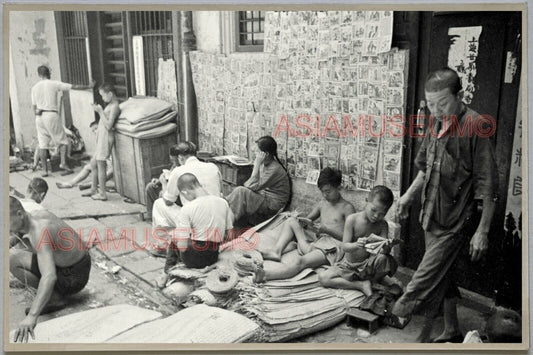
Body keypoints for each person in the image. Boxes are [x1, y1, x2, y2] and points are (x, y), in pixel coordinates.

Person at [390, 68, 498, 343]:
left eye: (442, 104)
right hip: (430, 213)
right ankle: (451, 328)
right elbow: (425, 167)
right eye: (431, 105)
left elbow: (488, 185)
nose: (436, 111)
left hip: (456, 220)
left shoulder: (475, 126)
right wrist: (408, 197)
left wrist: (482, 231)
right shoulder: (436, 123)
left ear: (460, 96)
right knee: (444, 273)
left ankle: (397, 311)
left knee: (425, 275)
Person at [9, 196, 91, 343]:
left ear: (20, 214)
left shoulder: (40, 232)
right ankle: (50, 292)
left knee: (14, 261)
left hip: (73, 277)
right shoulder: (36, 214)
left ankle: (56, 298)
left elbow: (49, 276)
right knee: (18, 254)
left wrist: (32, 316)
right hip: (80, 263)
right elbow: (18, 233)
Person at [252, 168, 354, 282]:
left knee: (300, 261)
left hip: (331, 249)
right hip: (317, 243)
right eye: (322, 191)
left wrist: (327, 230)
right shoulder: (322, 204)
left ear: (338, 187)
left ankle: (265, 275)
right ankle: (276, 251)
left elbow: (349, 239)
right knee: (291, 221)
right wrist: (300, 219)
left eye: (328, 191)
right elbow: (307, 220)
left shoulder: (347, 208)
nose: (325, 195)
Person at [318, 185, 399, 296]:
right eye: (373, 210)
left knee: (384, 259)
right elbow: (345, 246)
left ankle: (372, 281)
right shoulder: (352, 220)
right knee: (323, 278)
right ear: (366, 201)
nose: (376, 216)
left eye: (382, 214)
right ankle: (360, 285)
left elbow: (382, 252)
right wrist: (356, 245)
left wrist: (387, 247)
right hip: (348, 266)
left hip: (368, 266)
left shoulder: (382, 224)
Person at [157, 173, 234, 287]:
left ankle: (165, 275)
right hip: (213, 255)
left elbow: (182, 246)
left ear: (184, 192)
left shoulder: (188, 208)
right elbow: (230, 234)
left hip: (195, 259)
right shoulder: (222, 202)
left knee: (175, 237)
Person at [31, 65, 94, 177]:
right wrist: (88, 86)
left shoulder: (35, 87)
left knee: (42, 144)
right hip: (51, 114)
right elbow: (73, 86)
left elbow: (34, 107)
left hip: (39, 117)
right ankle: (63, 163)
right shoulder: (54, 84)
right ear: (48, 73)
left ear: (39, 74)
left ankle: (45, 170)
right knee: (63, 141)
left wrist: (37, 115)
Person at [151, 141, 222, 228]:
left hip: (196, 222)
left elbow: (168, 201)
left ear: (180, 157)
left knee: (158, 204)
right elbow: (220, 191)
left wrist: (164, 183)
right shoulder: (213, 167)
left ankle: (165, 240)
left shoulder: (179, 170)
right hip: (218, 217)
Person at [226, 136, 291, 226]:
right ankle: (226, 212)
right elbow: (252, 185)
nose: (255, 154)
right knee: (239, 194)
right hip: (263, 196)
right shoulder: (265, 164)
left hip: (272, 204)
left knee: (241, 191)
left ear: (266, 154)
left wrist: (256, 164)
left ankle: (228, 222)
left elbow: (250, 185)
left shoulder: (274, 168)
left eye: (257, 151)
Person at [86, 83, 120, 201]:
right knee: (94, 163)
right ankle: (93, 189)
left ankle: (102, 193)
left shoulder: (115, 106)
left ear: (110, 94)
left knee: (101, 165)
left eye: (103, 96)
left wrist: (100, 111)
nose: (103, 98)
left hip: (106, 137)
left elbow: (109, 125)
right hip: (102, 137)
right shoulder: (110, 105)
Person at [56, 121, 113, 190]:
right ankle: (71, 183)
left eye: (96, 129)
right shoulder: (99, 139)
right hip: (105, 162)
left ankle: (89, 184)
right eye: (93, 131)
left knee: (108, 172)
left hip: (113, 165)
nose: (95, 132)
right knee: (87, 167)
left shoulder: (108, 136)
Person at [144, 144, 181, 221]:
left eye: (175, 160)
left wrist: (164, 183)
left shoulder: (182, 167)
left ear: (180, 158)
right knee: (150, 187)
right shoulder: (175, 165)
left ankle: (164, 217)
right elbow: (169, 174)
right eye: (172, 160)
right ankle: (151, 216)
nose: (174, 162)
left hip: (176, 193)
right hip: (169, 186)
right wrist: (159, 180)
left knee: (161, 194)